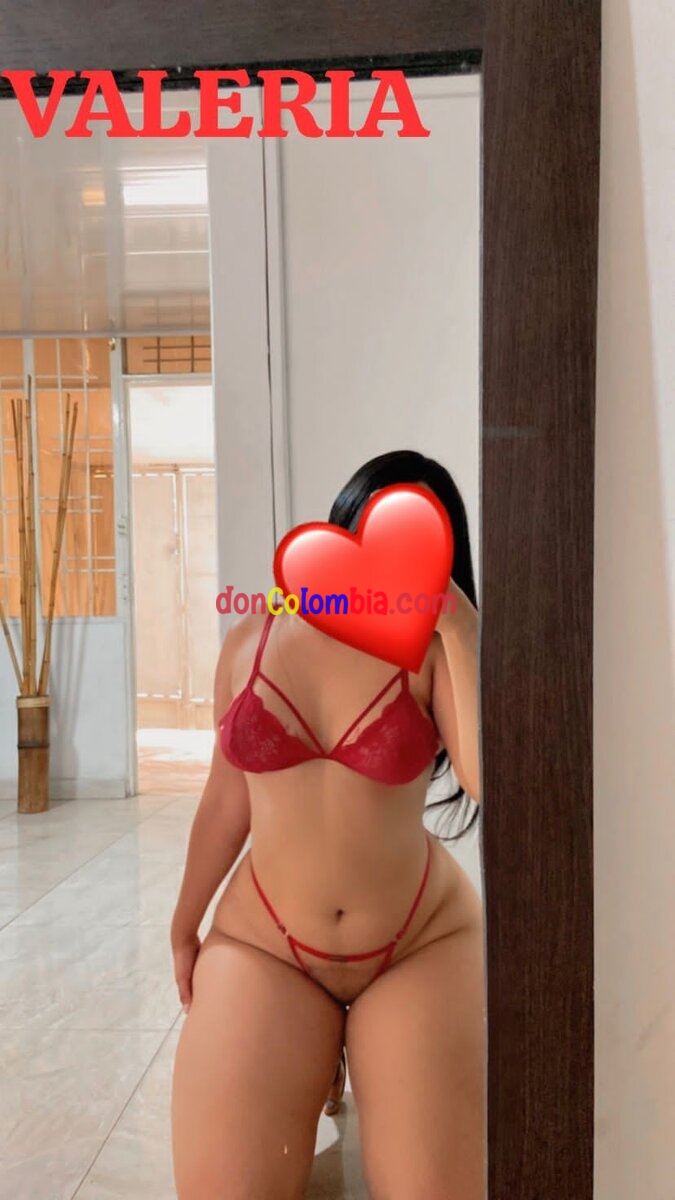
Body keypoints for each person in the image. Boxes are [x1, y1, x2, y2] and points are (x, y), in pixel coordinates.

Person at [170, 449, 484, 1200]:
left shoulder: (434, 655)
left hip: (418, 942)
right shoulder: (250, 641)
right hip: (265, 945)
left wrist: (459, 627)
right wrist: (184, 922)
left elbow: (486, 780)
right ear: (343, 533)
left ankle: (359, 1054)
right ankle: (317, 1055)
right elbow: (226, 798)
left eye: (423, 544)